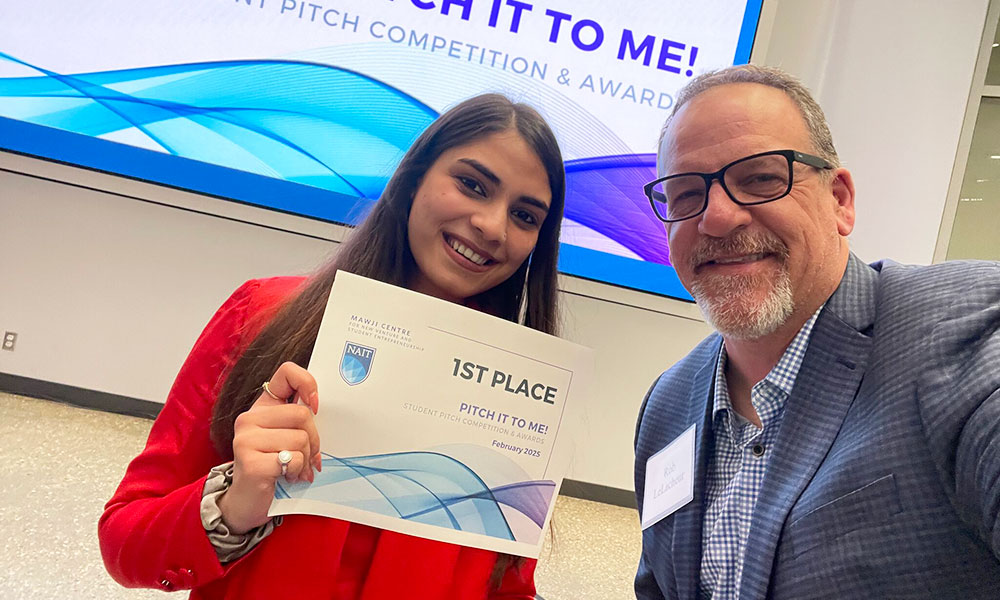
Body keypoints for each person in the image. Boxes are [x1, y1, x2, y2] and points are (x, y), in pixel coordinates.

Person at [99, 93, 566, 600]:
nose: (493, 226)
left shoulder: (516, 397)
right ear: (413, 179)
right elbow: (125, 542)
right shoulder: (263, 317)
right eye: (472, 185)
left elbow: (506, 586)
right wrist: (232, 505)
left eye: (525, 216)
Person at [633, 64, 1000, 599]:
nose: (718, 218)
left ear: (840, 201)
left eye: (760, 178)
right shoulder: (666, 406)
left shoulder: (967, 330)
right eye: (686, 194)